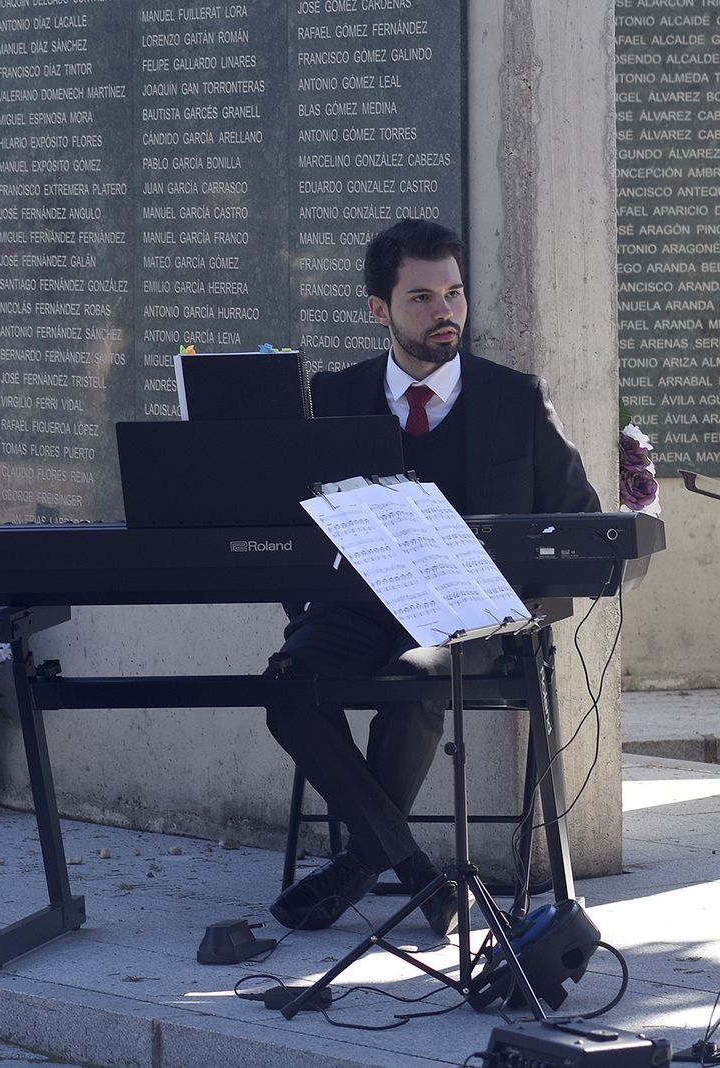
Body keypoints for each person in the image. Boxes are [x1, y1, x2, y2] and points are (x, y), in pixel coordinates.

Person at [265, 218, 599, 935]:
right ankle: (416, 870)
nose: (444, 311)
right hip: (353, 608)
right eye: (420, 297)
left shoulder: (516, 399)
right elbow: (290, 517)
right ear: (378, 309)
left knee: (419, 679)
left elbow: (577, 517)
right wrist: (308, 604)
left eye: (453, 293)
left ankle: (358, 866)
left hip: (468, 613)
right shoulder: (335, 394)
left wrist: (522, 603)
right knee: (287, 687)